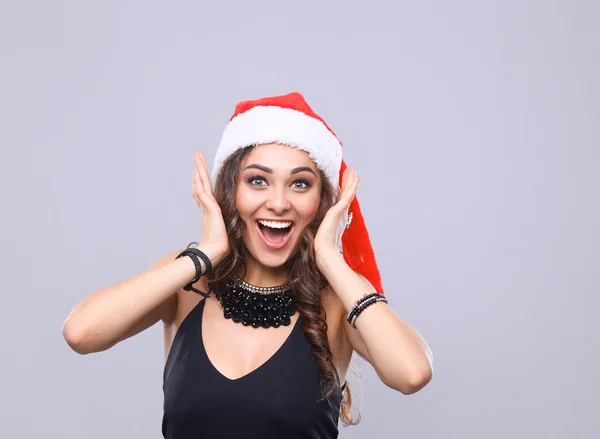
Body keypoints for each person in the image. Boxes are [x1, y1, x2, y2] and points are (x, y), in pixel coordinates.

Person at [62, 92, 433, 438]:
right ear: (230, 191)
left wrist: (330, 257)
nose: (278, 202)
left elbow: (412, 373)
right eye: (258, 181)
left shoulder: (338, 303)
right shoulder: (186, 286)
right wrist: (203, 254)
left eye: (300, 185)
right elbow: (81, 332)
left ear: (322, 201)